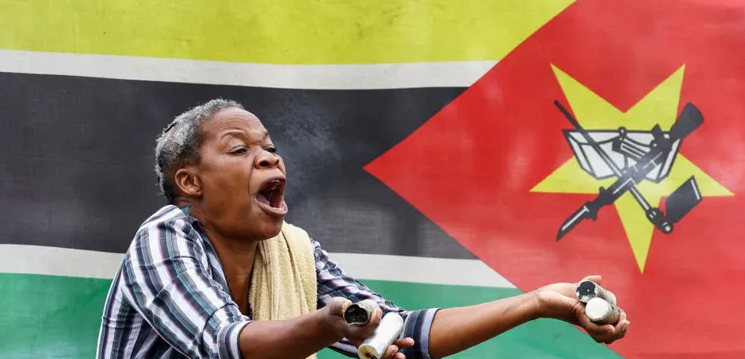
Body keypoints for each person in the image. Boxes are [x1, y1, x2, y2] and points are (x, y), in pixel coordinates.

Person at [96, 99, 629, 359]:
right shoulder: (164, 238)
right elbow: (226, 345)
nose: (268, 159)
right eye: (240, 150)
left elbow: (401, 332)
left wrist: (534, 303)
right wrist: (330, 326)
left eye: (271, 148)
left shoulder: (293, 251)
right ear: (190, 182)